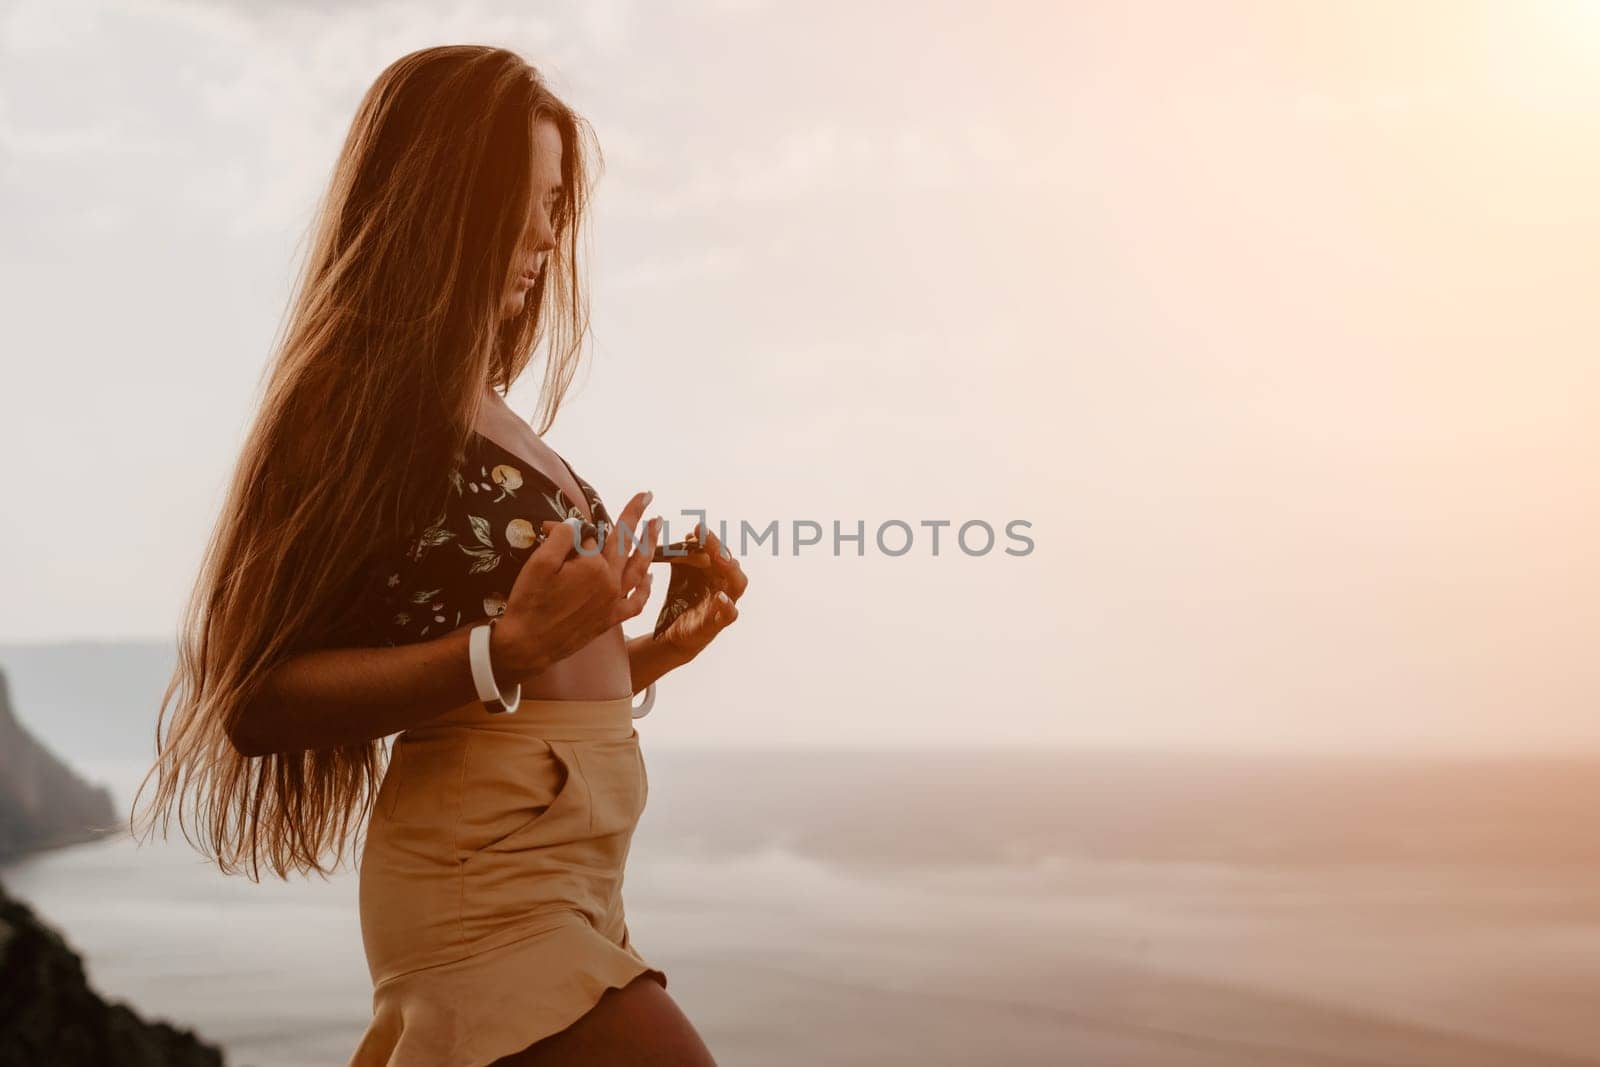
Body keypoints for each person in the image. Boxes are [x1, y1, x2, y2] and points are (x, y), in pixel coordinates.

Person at [129, 44, 748, 1066]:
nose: (550, 236)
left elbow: (515, 675)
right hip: (484, 885)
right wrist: (509, 645)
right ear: (447, 198)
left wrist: (647, 654)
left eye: (559, 204)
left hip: (577, 878)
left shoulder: (492, 408)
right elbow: (255, 700)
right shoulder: (350, 399)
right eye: (531, 200)